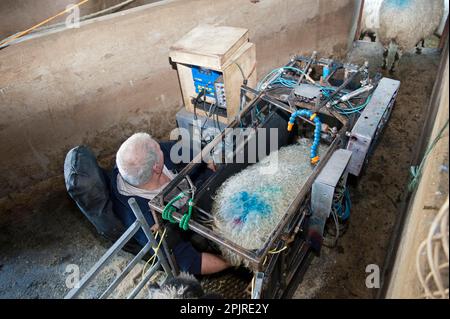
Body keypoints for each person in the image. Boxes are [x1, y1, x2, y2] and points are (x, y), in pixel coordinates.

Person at [110, 132, 229, 275]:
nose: (161, 146)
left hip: (199, 191)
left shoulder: (136, 165)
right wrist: (233, 260)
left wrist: (208, 159)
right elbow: (193, 263)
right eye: (158, 148)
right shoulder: (147, 220)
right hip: (192, 222)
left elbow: (180, 149)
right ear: (156, 167)